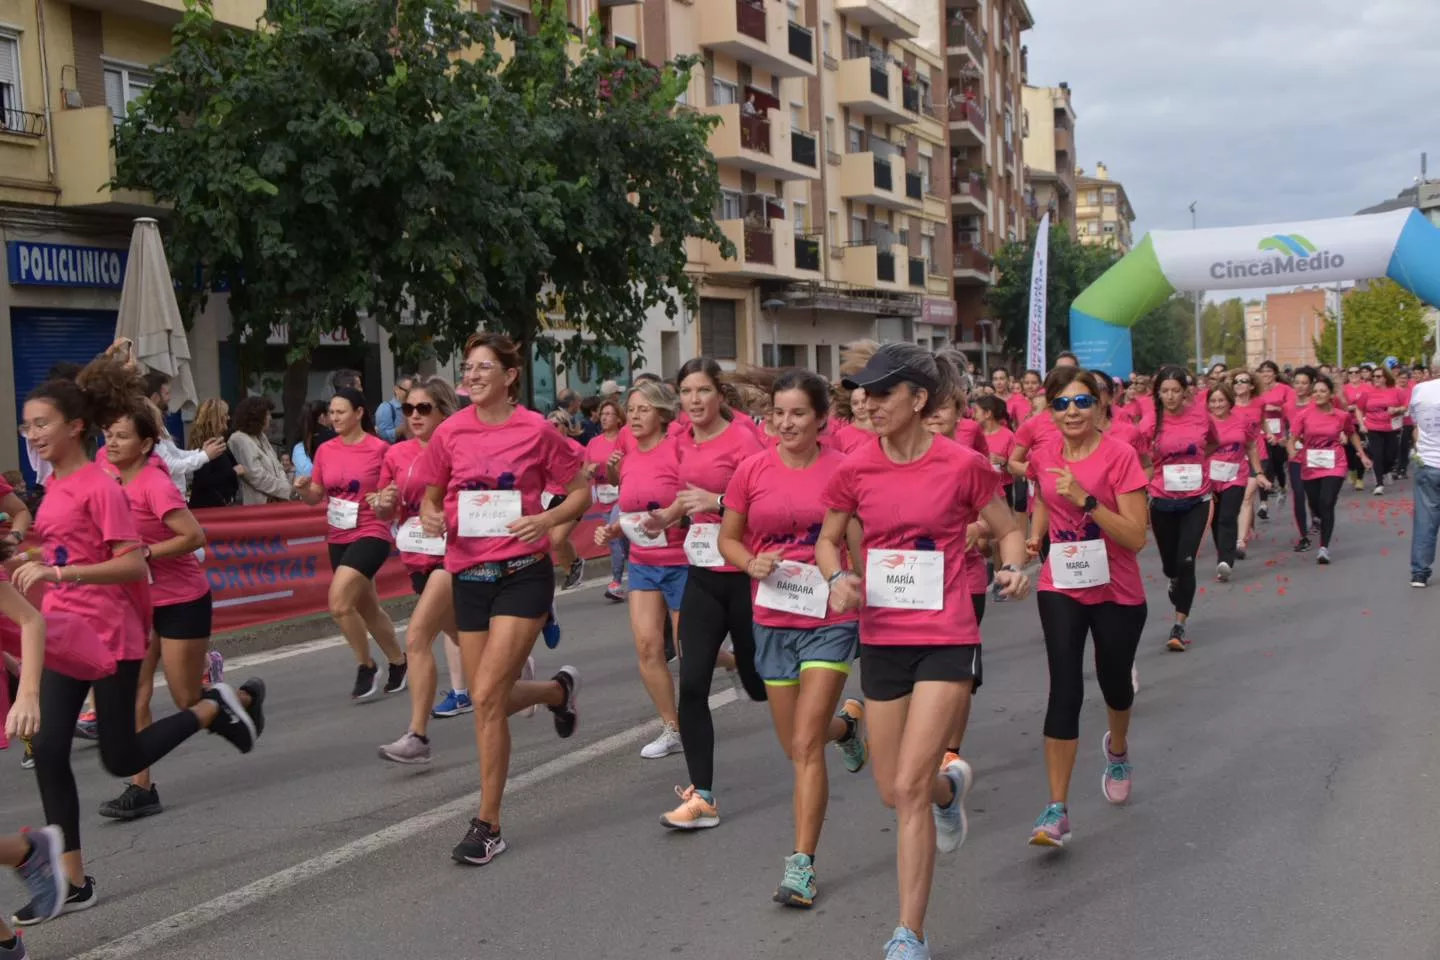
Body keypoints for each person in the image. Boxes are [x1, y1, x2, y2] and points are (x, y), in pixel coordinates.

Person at [12, 354, 261, 925]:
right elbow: (60, 550)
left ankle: (211, 706)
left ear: (75, 426)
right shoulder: (55, 483)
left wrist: (59, 574)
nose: (33, 435)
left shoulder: (103, 488)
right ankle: (71, 882)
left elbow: (130, 566)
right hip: (65, 629)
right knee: (50, 751)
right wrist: (25, 556)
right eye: (27, 426)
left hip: (110, 634)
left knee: (120, 754)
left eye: (41, 424)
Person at [816, 342, 1029, 960]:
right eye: (864, 392)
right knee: (894, 788)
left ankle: (908, 933)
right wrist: (837, 581)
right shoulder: (854, 469)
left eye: (882, 393)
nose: (868, 402)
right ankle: (949, 792)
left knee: (906, 787)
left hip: (946, 634)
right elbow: (829, 541)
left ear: (918, 399)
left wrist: (1013, 568)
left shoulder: (962, 464)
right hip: (882, 638)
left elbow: (1009, 528)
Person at [416, 332, 589, 866]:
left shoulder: (536, 430)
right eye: (466, 368)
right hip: (468, 574)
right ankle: (557, 693)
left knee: (487, 695)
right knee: (489, 700)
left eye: (481, 367)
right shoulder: (450, 432)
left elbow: (580, 488)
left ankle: (488, 823)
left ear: (510, 376)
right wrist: (428, 513)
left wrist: (549, 518)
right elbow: (429, 492)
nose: (469, 376)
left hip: (521, 573)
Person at [717, 369, 867, 908]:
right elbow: (727, 539)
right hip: (773, 616)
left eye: (798, 413)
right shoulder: (752, 469)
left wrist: (861, 587)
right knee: (798, 743)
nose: (786, 423)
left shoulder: (845, 470)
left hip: (829, 617)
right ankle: (845, 726)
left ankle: (801, 864)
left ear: (823, 418)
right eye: (778, 413)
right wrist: (750, 562)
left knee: (805, 747)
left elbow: (858, 539)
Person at [1024, 367, 1149, 848]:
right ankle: (1057, 809)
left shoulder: (1121, 457)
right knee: (1065, 687)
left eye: (1081, 402)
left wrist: (1088, 501)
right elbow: (1044, 498)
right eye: (1061, 403)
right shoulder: (1042, 454)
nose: (1071, 412)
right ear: (1049, 410)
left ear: (1099, 407)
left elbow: (1136, 537)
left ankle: (1117, 749)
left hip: (1117, 589)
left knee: (1115, 683)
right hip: (1063, 583)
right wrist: (1037, 533)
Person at [95, 400, 228, 821]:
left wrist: (146, 552)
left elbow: (195, 536)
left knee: (186, 696)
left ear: (147, 443)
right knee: (136, 691)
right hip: (135, 602)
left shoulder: (155, 484)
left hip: (181, 599)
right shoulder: (105, 474)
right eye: (108, 434)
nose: (111, 442)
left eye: (122, 436)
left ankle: (239, 699)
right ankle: (142, 787)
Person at [651, 357, 767, 832]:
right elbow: (683, 497)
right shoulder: (678, 438)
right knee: (693, 682)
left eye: (702, 391)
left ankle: (838, 728)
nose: (694, 401)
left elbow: (766, 500)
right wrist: (658, 519)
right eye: (686, 392)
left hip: (746, 572)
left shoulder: (744, 439)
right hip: (701, 573)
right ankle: (703, 797)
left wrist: (717, 503)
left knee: (763, 686)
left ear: (719, 394)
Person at [375, 378, 473, 764]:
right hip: (417, 556)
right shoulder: (396, 454)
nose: (414, 415)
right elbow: (386, 511)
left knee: (416, 637)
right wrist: (383, 502)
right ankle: (527, 676)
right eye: (408, 409)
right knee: (461, 634)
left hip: (453, 556)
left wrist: (448, 518)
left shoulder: (459, 449)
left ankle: (417, 736)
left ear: (443, 410)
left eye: (424, 408)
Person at [594, 380, 687, 761]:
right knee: (648, 646)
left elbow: (691, 496)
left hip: (683, 561)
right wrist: (613, 529)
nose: (634, 415)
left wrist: (669, 515)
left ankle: (732, 661)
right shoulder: (627, 456)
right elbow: (630, 508)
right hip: (645, 563)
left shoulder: (679, 449)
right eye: (630, 409)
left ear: (663, 415)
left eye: (643, 409)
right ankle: (672, 727)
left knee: (690, 650)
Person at [293, 388, 405, 700]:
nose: (334, 417)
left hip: (372, 531)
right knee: (367, 607)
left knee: (339, 604)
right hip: (339, 534)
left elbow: (393, 495)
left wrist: (384, 499)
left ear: (359, 413)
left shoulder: (380, 449)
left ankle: (366, 665)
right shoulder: (326, 450)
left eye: (341, 412)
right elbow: (316, 496)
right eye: (331, 412)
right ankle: (399, 661)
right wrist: (303, 489)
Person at [1143, 365, 1217, 652]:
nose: (1170, 396)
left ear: (1185, 392)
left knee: (1187, 560)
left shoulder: (1200, 416)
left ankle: (1179, 625)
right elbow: (1137, 454)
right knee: (1170, 565)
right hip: (1162, 500)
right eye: (1165, 391)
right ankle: (1174, 578)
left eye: (1176, 390)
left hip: (1197, 499)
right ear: (1157, 394)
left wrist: (1195, 467)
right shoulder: (1150, 422)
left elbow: (1212, 443)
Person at [1288, 375, 1369, 565]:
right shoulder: (1304, 414)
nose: (1318, 394)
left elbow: (1352, 434)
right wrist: (1292, 451)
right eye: (1315, 391)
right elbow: (1293, 438)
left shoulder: (1341, 416)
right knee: (1315, 504)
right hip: (1311, 464)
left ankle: (1323, 547)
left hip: (1335, 463)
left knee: (1327, 502)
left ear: (1331, 394)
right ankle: (1318, 517)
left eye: (1323, 391)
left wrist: (1362, 454)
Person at [1206, 382, 1269, 581]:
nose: (1217, 405)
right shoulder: (1203, 423)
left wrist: (1258, 472)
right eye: (1213, 401)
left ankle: (1225, 561)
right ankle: (1222, 554)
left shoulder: (1243, 420)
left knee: (1227, 516)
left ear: (1229, 401)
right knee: (1215, 520)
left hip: (1236, 476)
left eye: (1221, 400)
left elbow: (1251, 447)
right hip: (1210, 477)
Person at [142, 371, 225, 496]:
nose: (169, 398)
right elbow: (171, 466)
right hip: (165, 496)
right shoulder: (147, 428)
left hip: (174, 494)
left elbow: (175, 453)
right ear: (155, 398)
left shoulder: (160, 426)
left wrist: (202, 452)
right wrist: (204, 456)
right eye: (167, 393)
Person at [585, 398, 627, 602]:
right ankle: (630, 567)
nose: (604, 418)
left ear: (619, 419)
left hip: (623, 494)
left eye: (609, 414)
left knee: (613, 535)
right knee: (623, 540)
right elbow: (584, 471)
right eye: (602, 414)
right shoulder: (594, 442)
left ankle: (616, 582)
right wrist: (589, 471)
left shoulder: (624, 439)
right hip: (603, 496)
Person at [1409, 355, 1440, 587]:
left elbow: (1415, 424)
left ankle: (1420, 571)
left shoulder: (1419, 390)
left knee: (1425, 520)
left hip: (1428, 462)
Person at [229, 397, 295, 505]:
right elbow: (256, 476)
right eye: (267, 414)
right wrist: (286, 490)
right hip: (258, 506)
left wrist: (285, 488)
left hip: (278, 500)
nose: (270, 418)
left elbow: (278, 466)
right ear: (256, 416)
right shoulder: (239, 439)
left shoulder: (261, 435)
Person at [186, 399, 241, 508]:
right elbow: (203, 481)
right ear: (216, 419)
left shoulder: (217, 441)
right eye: (225, 415)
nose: (228, 418)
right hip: (208, 509)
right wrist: (233, 472)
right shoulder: (207, 445)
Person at [1256, 360, 1293, 519]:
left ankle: (1283, 488)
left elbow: (1292, 408)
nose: (1266, 374)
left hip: (1279, 433)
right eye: (1263, 371)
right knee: (1264, 466)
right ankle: (1263, 503)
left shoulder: (1285, 389)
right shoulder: (1256, 389)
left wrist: (1278, 408)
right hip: (1261, 433)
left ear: (1275, 373)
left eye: (1269, 371)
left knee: (1278, 464)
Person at [1360, 365, 1406, 495]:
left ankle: (1383, 468)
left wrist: (1396, 410)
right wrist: (1361, 424)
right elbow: (1359, 408)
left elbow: (1405, 407)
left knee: (1391, 455)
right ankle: (1379, 484)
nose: (1375, 378)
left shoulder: (1396, 391)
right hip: (1373, 427)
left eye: (1379, 376)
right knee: (1378, 454)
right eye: (1373, 376)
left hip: (1391, 427)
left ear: (1385, 378)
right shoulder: (1367, 392)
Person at [291, 401, 331, 480]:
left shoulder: (299, 446)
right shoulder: (331, 438)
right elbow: (308, 471)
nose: (334, 417)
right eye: (331, 413)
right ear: (322, 417)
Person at [375, 374, 414, 443]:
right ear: (396, 389)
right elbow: (383, 436)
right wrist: (401, 429)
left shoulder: (415, 408)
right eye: (408, 391)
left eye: (413, 391)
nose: (411, 394)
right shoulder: (386, 408)